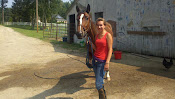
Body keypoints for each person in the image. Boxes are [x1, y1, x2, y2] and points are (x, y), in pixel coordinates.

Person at [90, 18, 113, 99]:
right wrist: (92, 46)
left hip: (102, 62)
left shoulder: (108, 35)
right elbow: (98, 49)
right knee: (99, 81)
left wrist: (107, 62)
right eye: (98, 25)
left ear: (104, 26)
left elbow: (110, 49)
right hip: (95, 60)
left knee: (98, 84)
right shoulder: (96, 36)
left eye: (101, 25)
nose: (99, 27)